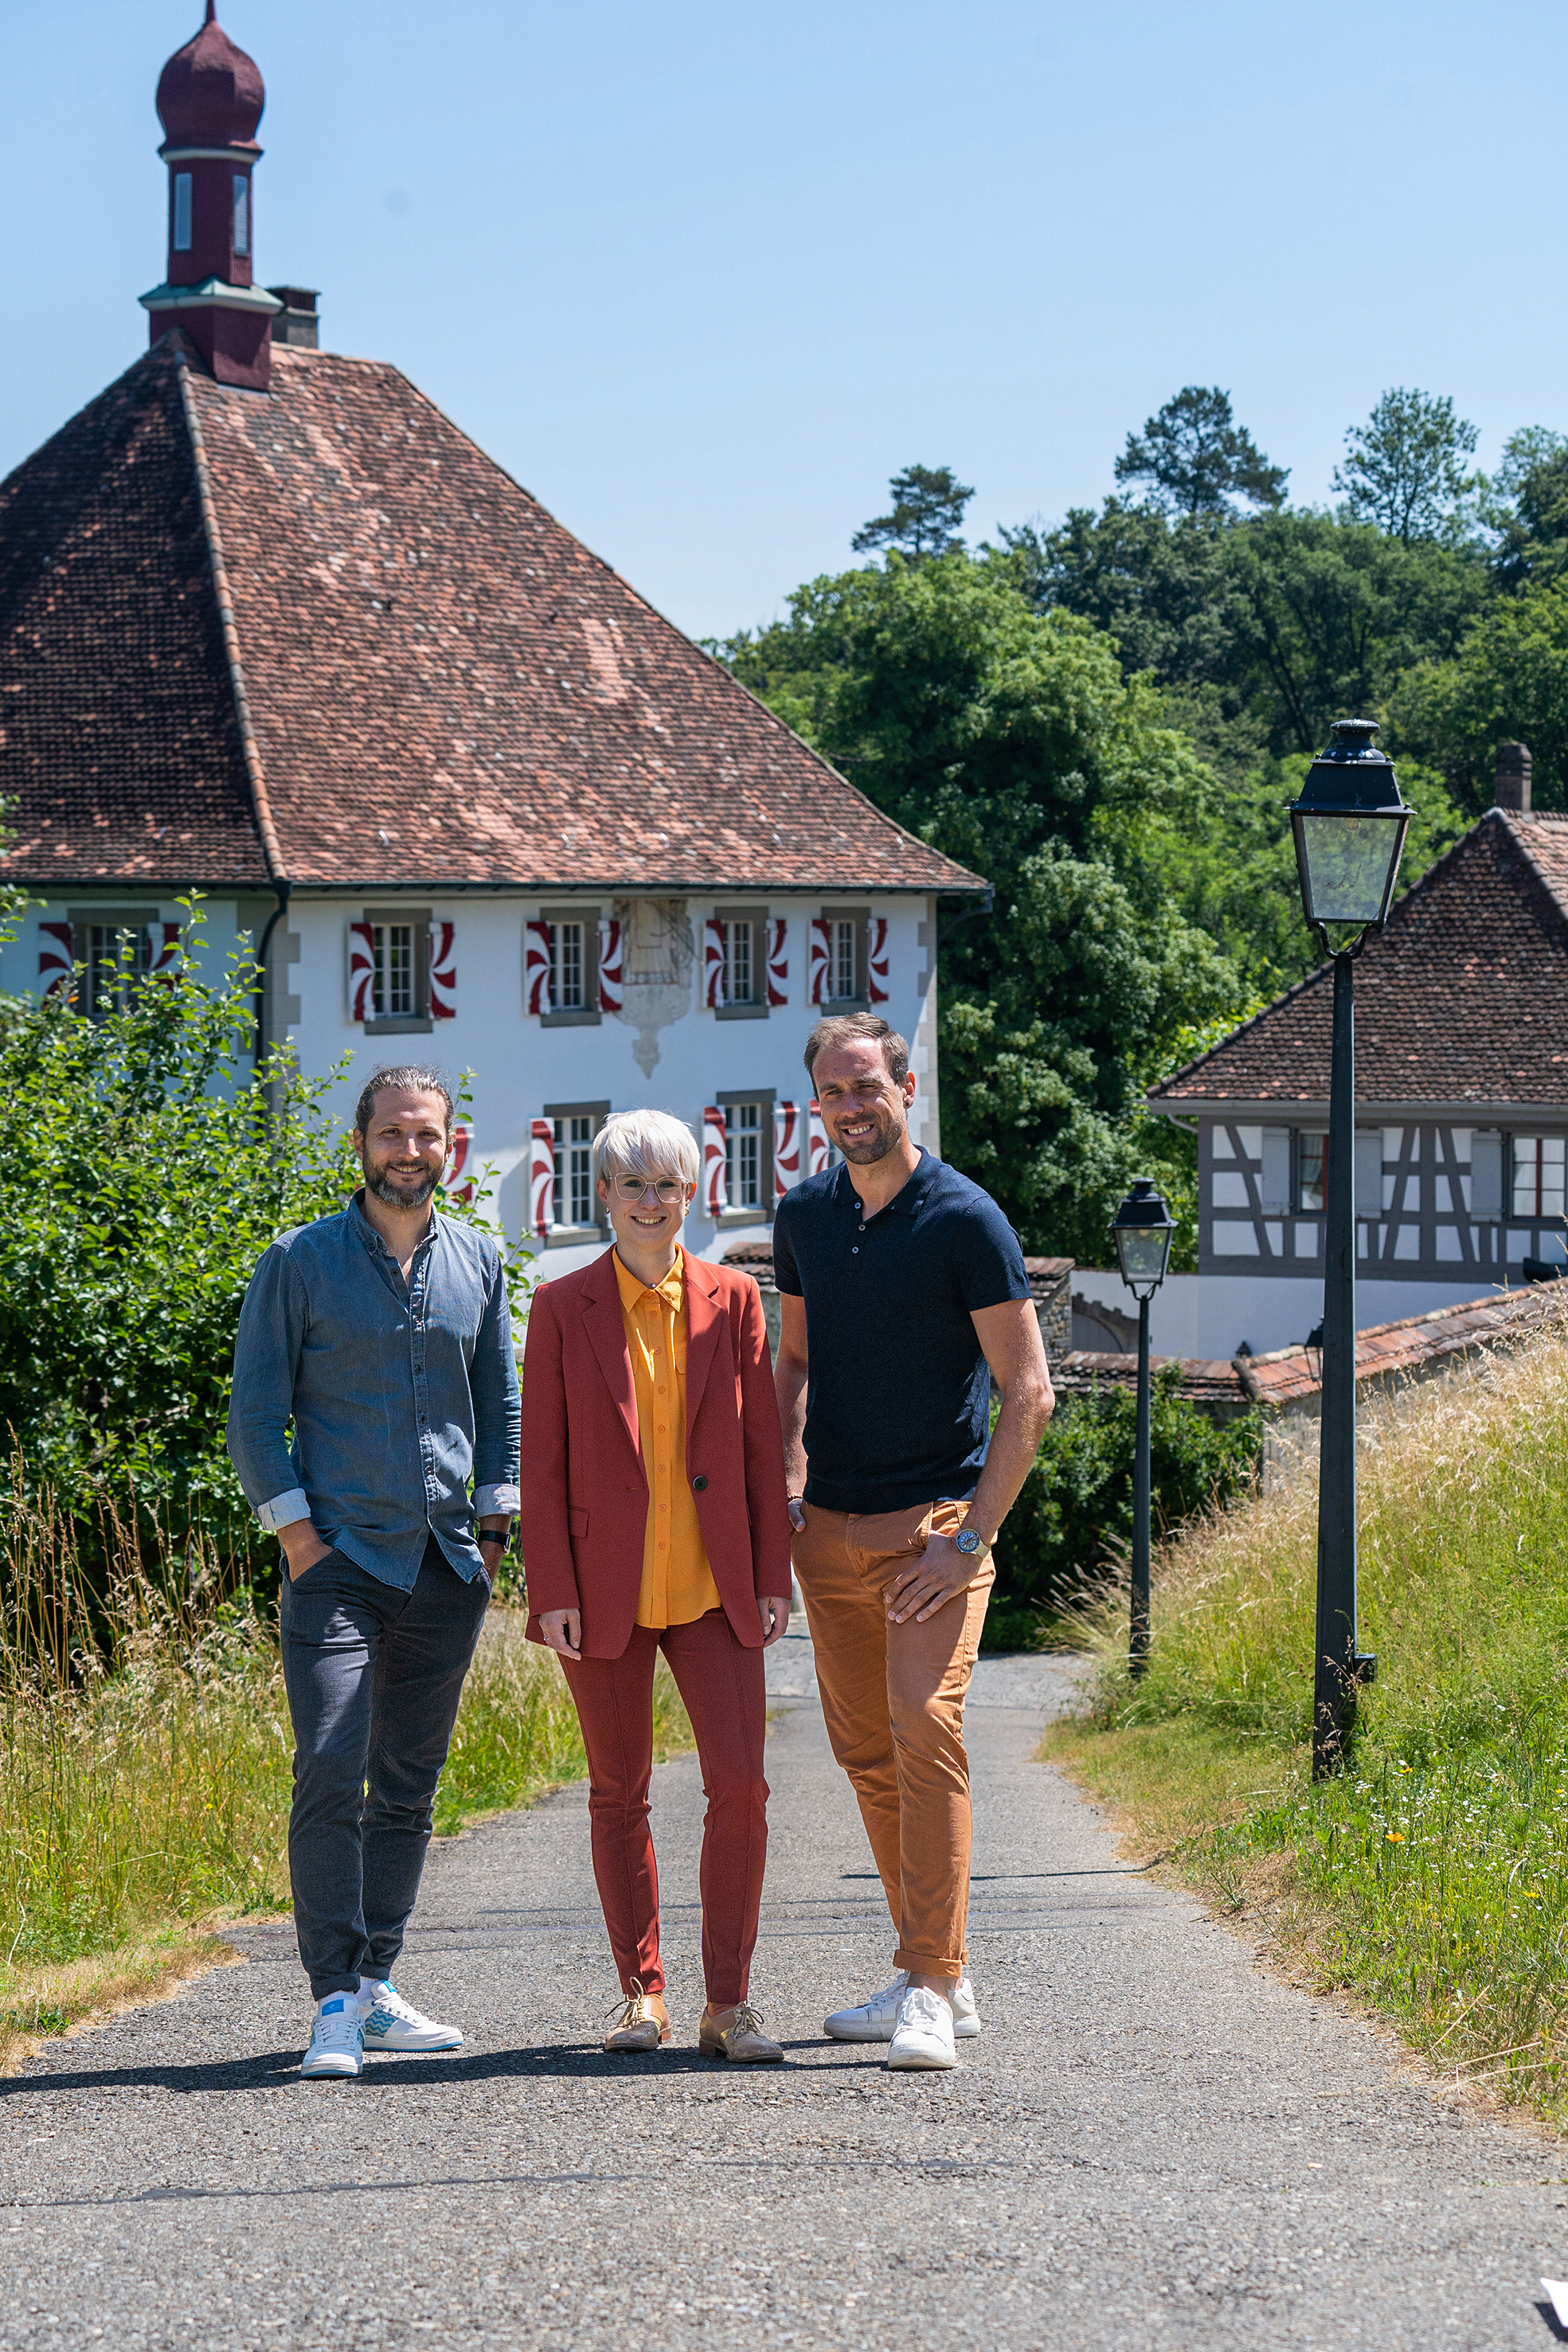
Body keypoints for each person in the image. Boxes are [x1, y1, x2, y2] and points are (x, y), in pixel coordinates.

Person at [772, 1013, 1054, 2071]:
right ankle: (931, 1961)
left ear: (906, 1086)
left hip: (934, 1527)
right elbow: (792, 1363)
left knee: (922, 1725)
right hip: (828, 1531)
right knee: (865, 1752)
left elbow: (1030, 1394)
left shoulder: (964, 1220)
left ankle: (932, 1988)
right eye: (833, 1093)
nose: (852, 1106)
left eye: (868, 1087)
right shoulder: (803, 1215)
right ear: (819, 1106)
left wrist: (972, 1537)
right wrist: (787, 1479)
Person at [228, 1066, 520, 2080]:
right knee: (330, 1764)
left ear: (453, 1148)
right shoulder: (299, 1261)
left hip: (445, 1565)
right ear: (360, 1143)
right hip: (339, 1563)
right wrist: (301, 1542)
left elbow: (502, 1405)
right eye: (392, 1133)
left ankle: (381, 1985)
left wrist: (495, 1529)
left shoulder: (479, 1259)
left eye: (427, 1135)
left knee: (407, 1783)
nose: (410, 1150)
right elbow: (255, 1416)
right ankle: (333, 2002)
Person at [519, 1109, 794, 2063]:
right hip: (599, 1590)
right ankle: (642, 1995)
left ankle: (729, 2003)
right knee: (616, 1792)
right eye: (632, 1185)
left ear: (692, 1192)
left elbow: (763, 1451)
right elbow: (542, 1461)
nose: (650, 1202)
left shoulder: (734, 1299)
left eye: (668, 1184)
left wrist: (770, 1575)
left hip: (716, 1586)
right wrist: (547, 1583)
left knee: (742, 1787)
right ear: (602, 1195)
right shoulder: (559, 1308)